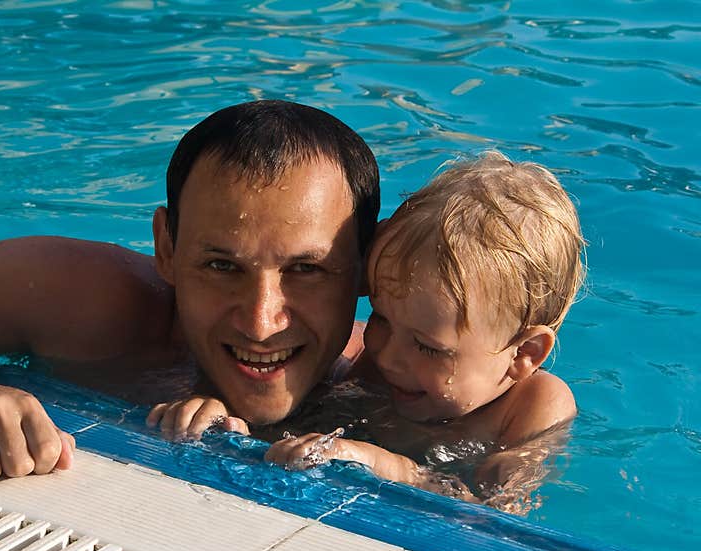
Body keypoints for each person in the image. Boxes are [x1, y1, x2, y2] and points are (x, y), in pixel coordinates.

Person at [0, 99, 380, 481]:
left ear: (363, 272)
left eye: (307, 270)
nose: (261, 322)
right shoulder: (94, 305)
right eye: (220, 265)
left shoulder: (402, 382)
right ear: (165, 246)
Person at [148, 151, 586, 512]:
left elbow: (496, 521)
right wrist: (221, 416)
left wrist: (392, 468)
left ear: (523, 353)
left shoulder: (531, 409)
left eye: (427, 347)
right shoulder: (380, 369)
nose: (386, 354)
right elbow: (294, 432)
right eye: (380, 319)